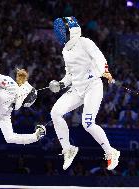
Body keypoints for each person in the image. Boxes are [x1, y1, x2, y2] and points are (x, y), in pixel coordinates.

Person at [49, 17, 120, 171]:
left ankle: (110, 152)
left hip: (92, 87)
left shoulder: (85, 42)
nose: (59, 34)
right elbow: (70, 75)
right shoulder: (65, 50)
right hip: (77, 89)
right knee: (55, 112)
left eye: (62, 30)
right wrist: (60, 84)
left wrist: (105, 71)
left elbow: (99, 57)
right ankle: (68, 149)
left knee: (87, 124)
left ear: (70, 31)